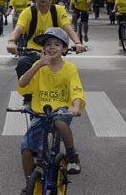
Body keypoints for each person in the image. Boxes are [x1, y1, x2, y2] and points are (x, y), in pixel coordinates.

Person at [18, 27, 85, 185]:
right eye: (48, 44)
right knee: (25, 148)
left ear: (64, 49)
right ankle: (29, 185)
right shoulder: (38, 66)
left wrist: (75, 107)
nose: (52, 47)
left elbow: (76, 90)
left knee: (59, 121)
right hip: (40, 112)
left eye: (57, 44)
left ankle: (71, 155)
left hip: (61, 110)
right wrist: (37, 66)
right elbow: (22, 83)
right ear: (43, 49)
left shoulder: (69, 68)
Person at [6, 0, 86, 104]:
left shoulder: (58, 10)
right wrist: (11, 41)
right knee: (22, 63)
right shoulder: (28, 12)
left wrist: (78, 43)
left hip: (53, 52)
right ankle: (28, 97)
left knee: (66, 71)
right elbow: (19, 28)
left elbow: (68, 27)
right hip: (33, 52)